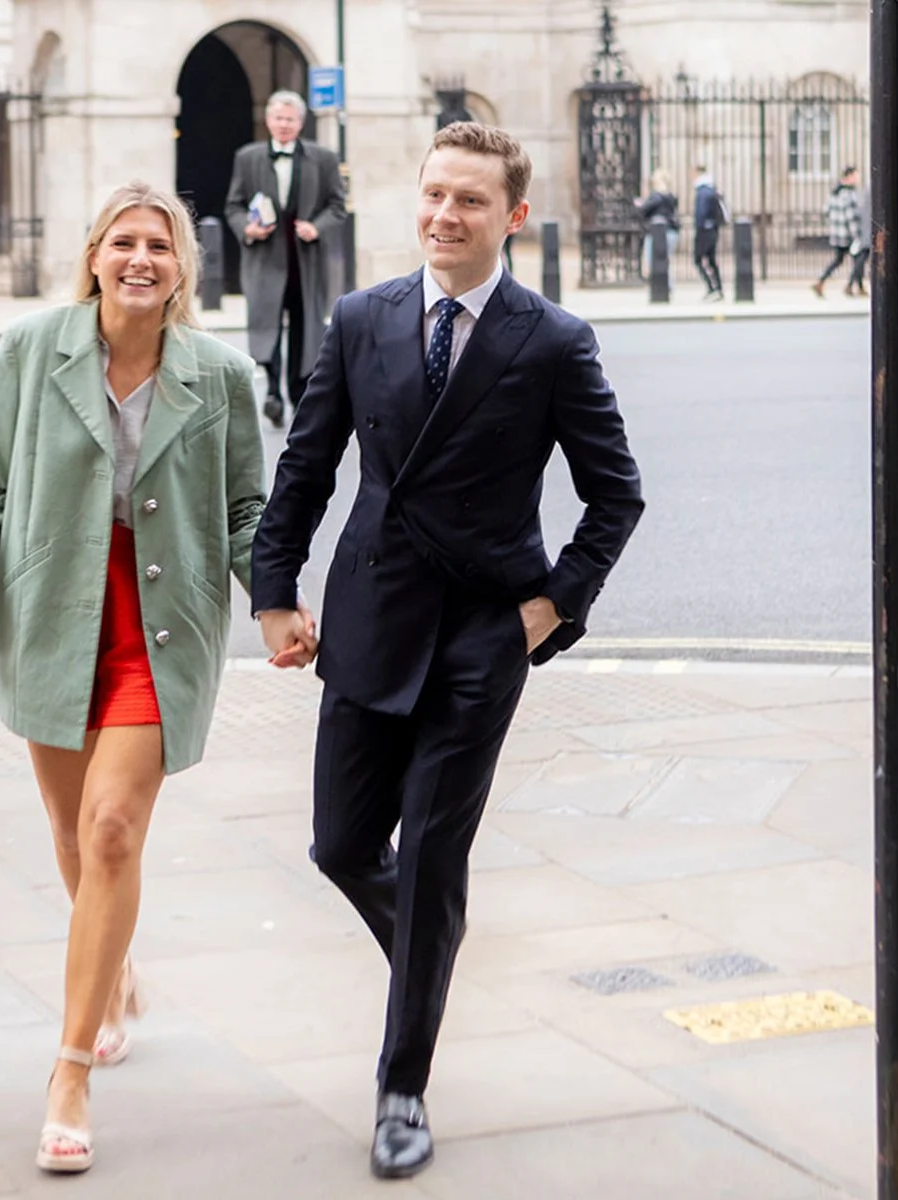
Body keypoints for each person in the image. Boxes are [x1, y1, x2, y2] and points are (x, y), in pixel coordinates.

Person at [251, 122, 644, 1181]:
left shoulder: (551, 339)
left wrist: (551, 609)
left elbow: (617, 494)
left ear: (511, 216)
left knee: (430, 855)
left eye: (469, 201)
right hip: (371, 618)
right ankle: (433, 944)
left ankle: (402, 1089)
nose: (442, 216)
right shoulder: (361, 317)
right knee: (340, 847)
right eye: (432, 195)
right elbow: (307, 463)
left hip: (482, 634)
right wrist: (273, 591)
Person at [0, 180, 288, 1175]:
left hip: (161, 628)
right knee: (79, 843)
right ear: (95, 256)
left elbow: (249, 509)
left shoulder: (221, 375)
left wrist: (276, 602)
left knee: (114, 827)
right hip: (54, 614)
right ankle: (112, 982)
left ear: (181, 269)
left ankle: (68, 1070)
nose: (141, 259)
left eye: (159, 245)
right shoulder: (34, 352)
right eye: (124, 242)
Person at [224, 90, 348, 428]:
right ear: (268, 120)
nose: (283, 125)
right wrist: (248, 229)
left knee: (304, 328)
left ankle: (297, 391)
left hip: (305, 262)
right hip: (264, 259)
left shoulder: (323, 158)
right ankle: (272, 393)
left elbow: (338, 206)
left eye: (290, 119)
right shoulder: (247, 157)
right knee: (266, 327)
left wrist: (316, 227)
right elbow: (233, 206)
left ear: (300, 123)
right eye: (278, 118)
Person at [814, 165, 867, 298]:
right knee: (860, 258)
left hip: (837, 234)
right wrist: (857, 236)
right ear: (849, 177)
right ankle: (851, 286)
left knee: (840, 260)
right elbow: (852, 217)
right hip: (848, 234)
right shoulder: (849, 194)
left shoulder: (834, 192)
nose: (858, 178)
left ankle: (821, 281)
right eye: (856, 175)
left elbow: (826, 211)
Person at [636, 168, 680, 290]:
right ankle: (667, 284)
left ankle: (662, 285)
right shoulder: (671, 196)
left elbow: (643, 210)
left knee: (653, 259)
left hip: (656, 232)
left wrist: (641, 203)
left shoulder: (656, 196)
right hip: (671, 231)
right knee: (664, 259)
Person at [692, 164, 727, 300]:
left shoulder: (703, 192)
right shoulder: (711, 189)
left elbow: (701, 213)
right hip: (713, 229)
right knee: (711, 260)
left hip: (704, 230)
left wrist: (699, 227)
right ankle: (717, 288)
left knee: (698, 259)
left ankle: (712, 288)